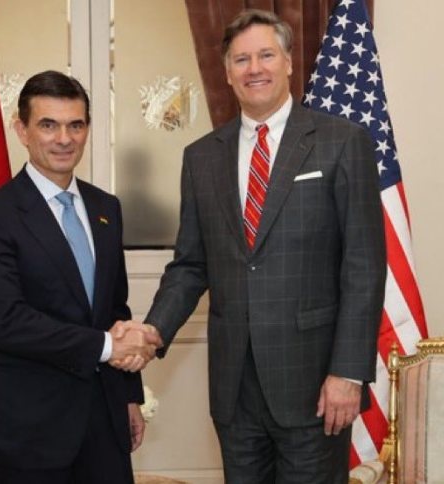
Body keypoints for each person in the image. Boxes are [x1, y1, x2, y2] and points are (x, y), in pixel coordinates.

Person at [127, 9, 386, 483]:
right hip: (235, 390)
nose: (254, 68)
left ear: (288, 62)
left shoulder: (341, 142)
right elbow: (191, 265)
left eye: (266, 55)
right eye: (241, 59)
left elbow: (364, 267)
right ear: (227, 73)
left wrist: (348, 373)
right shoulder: (201, 157)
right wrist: (153, 331)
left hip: (315, 384)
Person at [0, 70, 159, 484]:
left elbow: (115, 307)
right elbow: (5, 322)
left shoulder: (106, 208)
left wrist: (129, 397)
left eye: (76, 125)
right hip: (29, 433)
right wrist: (107, 346)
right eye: (48, 125)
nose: (64, 139)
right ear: (22, 130)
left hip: (104, 423)